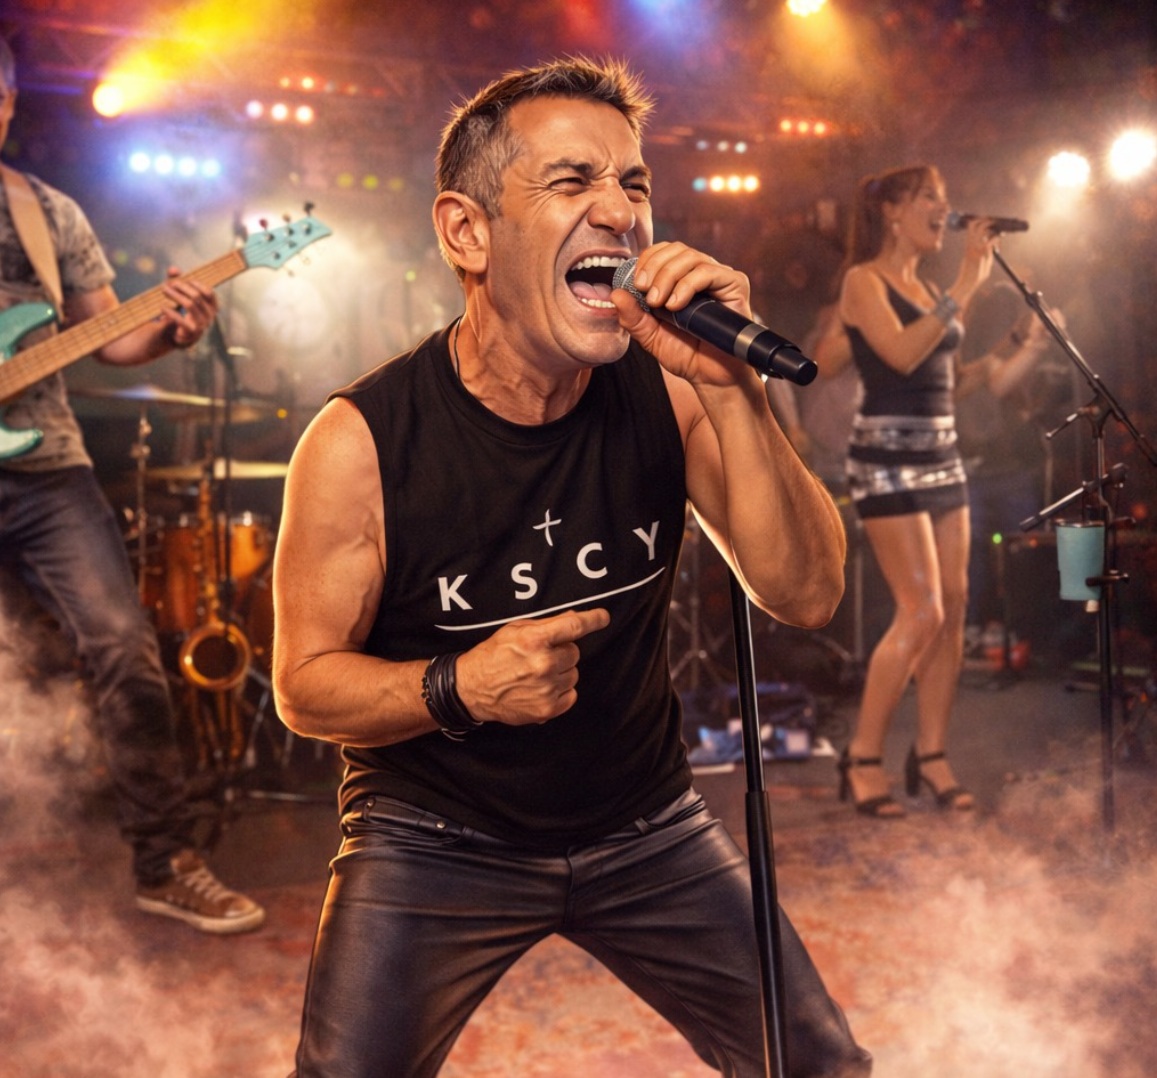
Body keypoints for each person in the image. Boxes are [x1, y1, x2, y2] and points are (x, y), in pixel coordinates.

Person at [273, 57, 871, 1077]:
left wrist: (735, 393)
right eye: (571, 182)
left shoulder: (671, 387)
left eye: (632, 184)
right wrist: (462, 686)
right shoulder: (359, 442)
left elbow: (807, 593)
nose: (620, 214)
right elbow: (303, 687)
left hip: (644, 822)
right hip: (432, 835)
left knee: (818, 1065)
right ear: (467, 233)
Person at [0, 37, 264, 933]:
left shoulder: (46, 212)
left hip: (47, 467)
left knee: (124, 647)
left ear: (8, 104)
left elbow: (107, 335)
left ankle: (165, 860)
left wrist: (172, 330)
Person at [827, 165, 998, 817]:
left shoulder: (924, 285)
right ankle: (862, 756)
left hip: (942, 455)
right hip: (886, 461)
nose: (943, 209)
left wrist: (1009, 338)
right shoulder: (862, 281)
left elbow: (942, 373)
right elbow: (900, 354)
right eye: (931, 197)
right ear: (893, 211)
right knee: (921, 610)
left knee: (953, 605)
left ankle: (930, 755)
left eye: (944, 198)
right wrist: (966, 284)